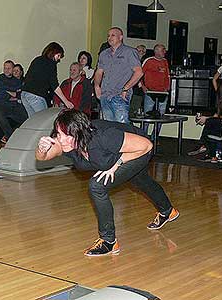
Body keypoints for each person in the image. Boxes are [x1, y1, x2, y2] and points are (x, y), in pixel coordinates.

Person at [36, 109, 179, 256]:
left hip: (136, 149)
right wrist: (41, 149)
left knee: (97, 186)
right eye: (59, 134)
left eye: (68, 135)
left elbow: (146, 146)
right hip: (118, 152)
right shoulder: (65, 142)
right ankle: (168, 211)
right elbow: (43, 157)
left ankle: (108, 241)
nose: (62, 140)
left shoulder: (103, 137)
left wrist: (117, 164)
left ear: (79, 132)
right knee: (140, 181)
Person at [94, 27, 143, 123]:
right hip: (105, 95)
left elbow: (139, 72)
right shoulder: (104, 54)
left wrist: (126, 88)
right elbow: (99, 72)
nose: (109, 38)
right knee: (109, 127)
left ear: (120, 37)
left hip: (119, 95)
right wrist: (96, 86)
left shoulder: (129, 52)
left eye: (113, 35)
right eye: (108, 35)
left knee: (122, 127)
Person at [21, 42, 74, 117]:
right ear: (53, 52)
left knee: (33, 122)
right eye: (58, 55)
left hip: (24, 95)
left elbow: (27, 76)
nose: (59, 59)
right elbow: (54, 85)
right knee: (45, 120)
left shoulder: (37, 59)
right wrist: (66, 102)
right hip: (36, 96)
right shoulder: (51, 64)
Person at [188, 78, 222, 162]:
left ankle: (203, 145)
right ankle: (210, 152)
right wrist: (205, 118)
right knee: (211, 123)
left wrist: (207, 119)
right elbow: (219, 115)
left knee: (211, 123)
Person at [0, 60, 27, 144]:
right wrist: (12, 95)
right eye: (5, 68)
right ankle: (10, 138)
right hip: (1, 105)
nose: (6, 70)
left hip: (14, 105)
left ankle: (14, 133)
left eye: (9, 68)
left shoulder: (17, 80)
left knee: (28, 118)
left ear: (13, 69)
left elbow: (21, 94)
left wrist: (9, 93)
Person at [141, 44, 171, 138]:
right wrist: (142, 86)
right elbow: (139, 74)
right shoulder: (149, 61)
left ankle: (155, 137)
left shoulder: (165, 62)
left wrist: (167, 87)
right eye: (163, 50)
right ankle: (143, 137)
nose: (165, 52)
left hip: (162, 92)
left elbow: (167, 76)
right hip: (150, 92)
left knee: (160, 116)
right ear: (156, 51)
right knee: (147, 116)